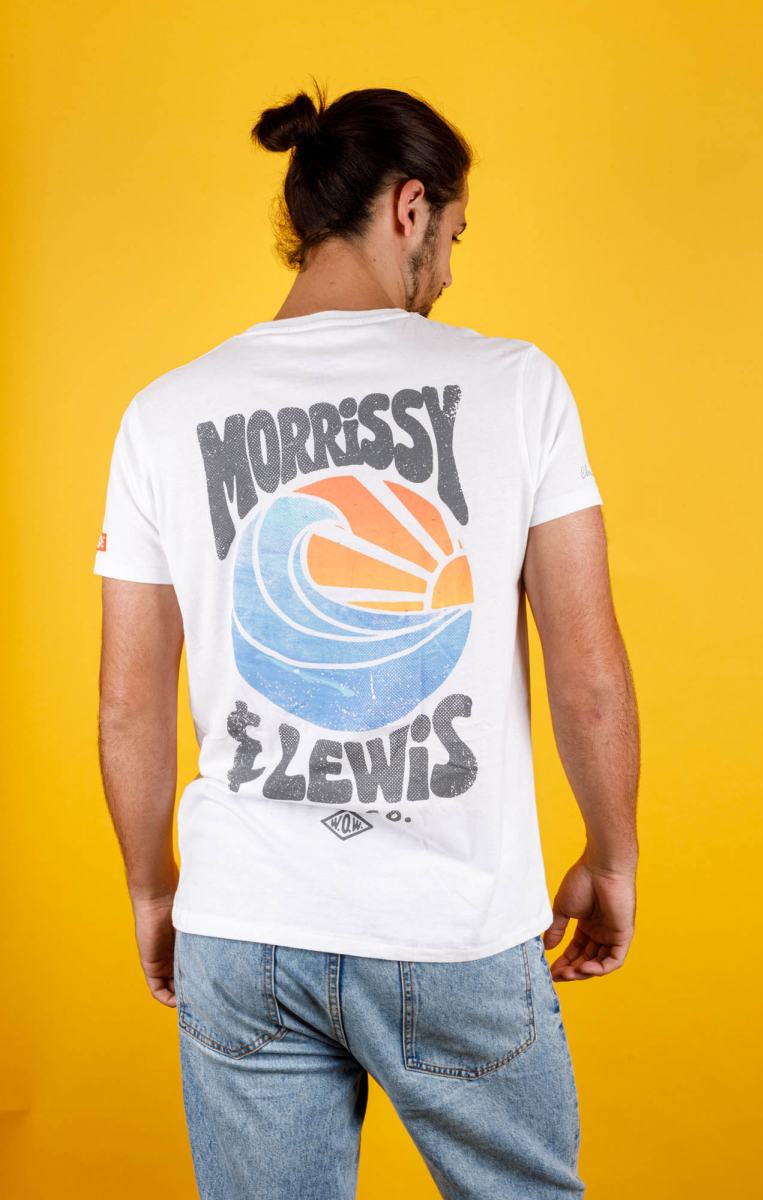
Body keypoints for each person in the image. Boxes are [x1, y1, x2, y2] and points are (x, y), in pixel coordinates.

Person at [93, 81, 639, 1200]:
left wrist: (155, 891)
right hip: (454, 928)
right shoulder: (515, 386)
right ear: (408, 207)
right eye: (454, 236)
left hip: (242, 928)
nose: (449, 272)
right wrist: (612, 853)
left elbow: (128, 704)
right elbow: (586, 676)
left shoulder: (163, 413)